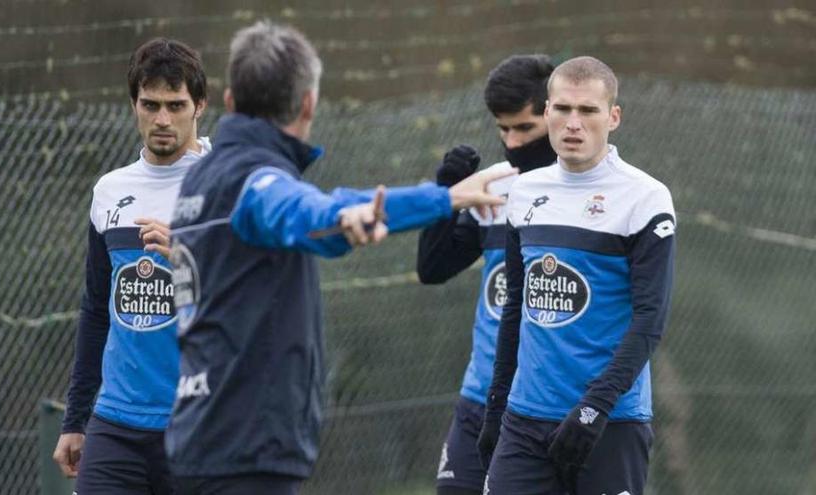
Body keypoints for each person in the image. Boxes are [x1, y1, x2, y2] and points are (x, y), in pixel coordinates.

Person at [164, 20, 515, 495]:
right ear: (308, 104)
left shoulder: (199, 180)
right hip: (246, 445)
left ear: (228, 101)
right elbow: (312, 213)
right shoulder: (256, 182)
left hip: (195, 436)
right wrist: (442, 199)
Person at [479, 56, 676, 495]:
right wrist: (496, 408)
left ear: (613, 117)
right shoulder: (525, 192)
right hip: (525, 420)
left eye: (588, 110)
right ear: (546, 112)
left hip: (610, 422)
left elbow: (650, 321)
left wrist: (594, 409)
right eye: (563, 109)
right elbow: (516, 308)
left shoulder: (645, 198)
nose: (574, 123)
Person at [52, 38, 210, 494]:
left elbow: (253, 296)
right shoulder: (109, 191)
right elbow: (97, 309)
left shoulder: (224, 184)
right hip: (116, 424)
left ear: (199, 105)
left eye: (176, 105)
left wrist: (187, 251)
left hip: (196, 421)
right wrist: (75, 419)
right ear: (134, 104)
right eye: (151, 104)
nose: (162, 119)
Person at [416, 54, 557, 495]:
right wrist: (447, 194)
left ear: (555, 116)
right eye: (503, 130)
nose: (512, 142)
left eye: (524, 129)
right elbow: (433, 268)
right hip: (480, 397)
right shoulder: (495, 189)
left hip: (550, 406)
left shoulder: (601, 199)